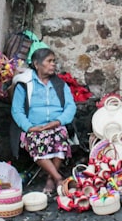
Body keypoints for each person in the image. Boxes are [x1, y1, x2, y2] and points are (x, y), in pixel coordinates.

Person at [11, 44, 76, 195]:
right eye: (49, 61)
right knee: (36, 140)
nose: (53, 64)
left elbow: (70, 106)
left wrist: (58, 121)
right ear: (36, 64)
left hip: (56, 124)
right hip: (35, 126)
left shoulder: (60, 84)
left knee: (60, 136)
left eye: (54, 61)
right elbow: (17, 110)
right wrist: (29, 127)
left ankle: (50, 178)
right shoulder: (25, 85)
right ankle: (58, 177)